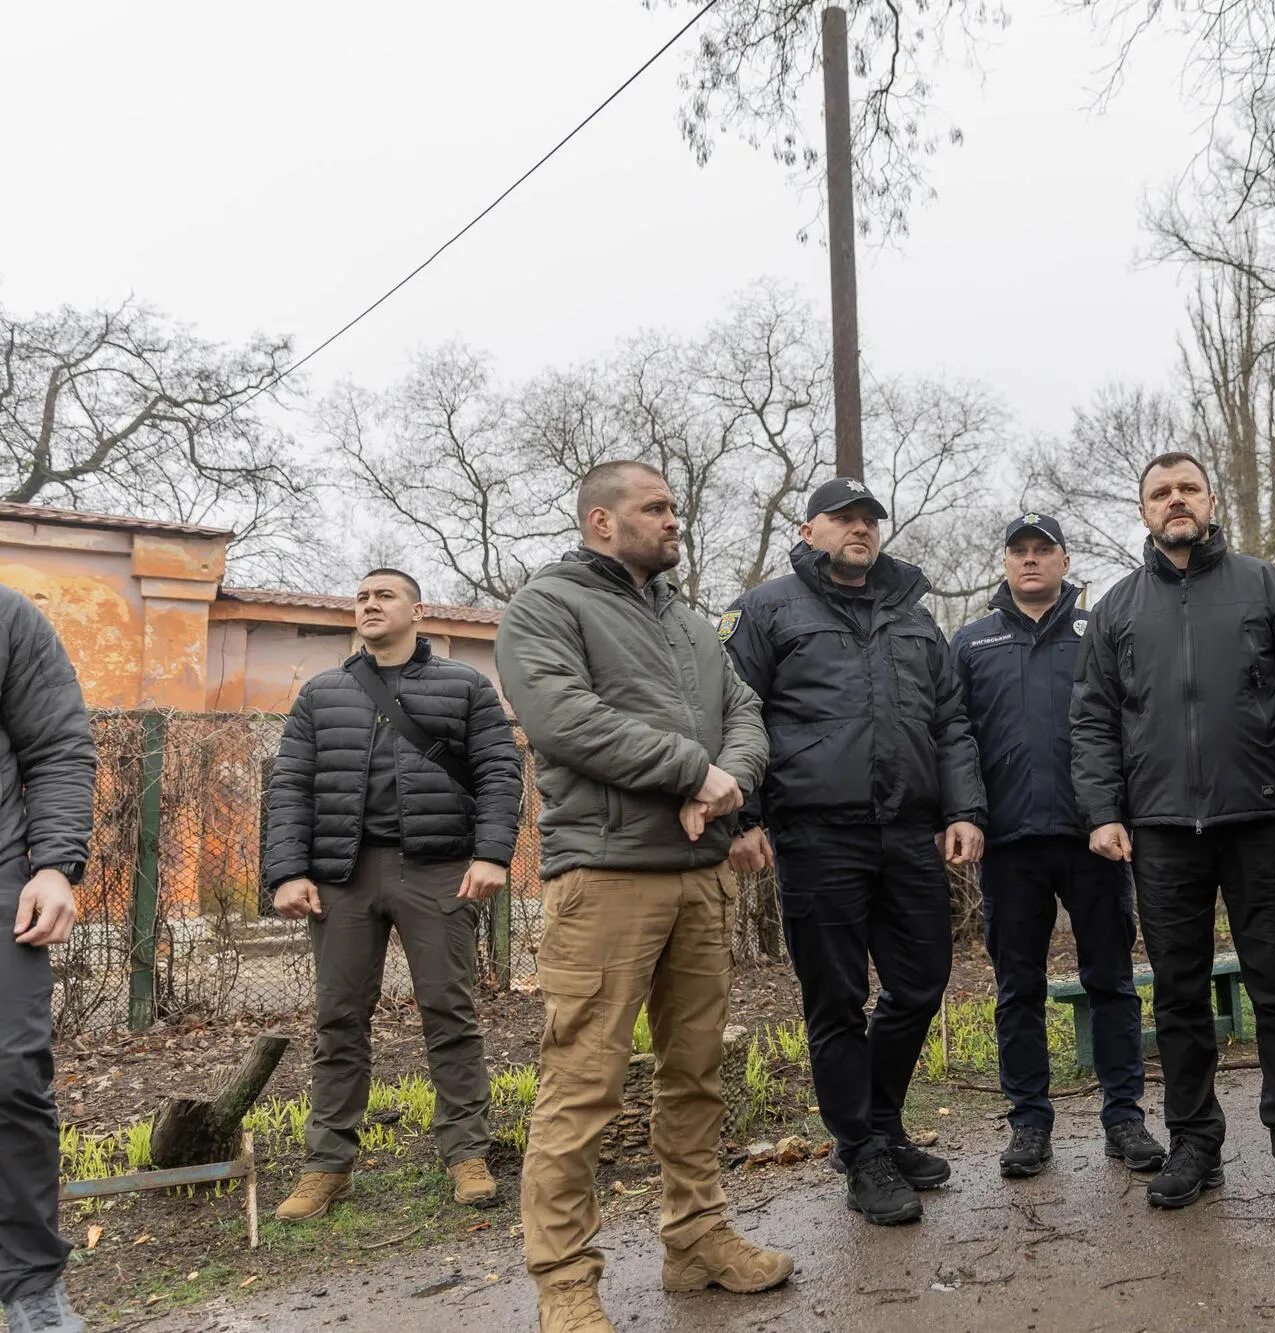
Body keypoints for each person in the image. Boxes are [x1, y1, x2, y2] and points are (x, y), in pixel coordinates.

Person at [497, 461, 790, 1332]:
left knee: (694, 1071)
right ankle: (565, 1283)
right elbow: (562, 718)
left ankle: (695, 1238)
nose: (674, 521)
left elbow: (747, 712)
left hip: (697, 876)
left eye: (675, 506)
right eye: (655, 508)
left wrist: (728, 778)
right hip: (607, 874)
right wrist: (688, 769)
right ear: (600, 522)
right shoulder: (546, 607)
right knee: (583, 1081)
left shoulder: (691, 622)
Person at [1071, 452, 1275, 1220]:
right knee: (1181, 996)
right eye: (1160, 492)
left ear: (1212, 498)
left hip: (1262, 821)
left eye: (1187, 488)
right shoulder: (1119, 609)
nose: (1175, 501)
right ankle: (1195, 1141)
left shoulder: (1270, 587)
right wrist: (1102, 810)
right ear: (1145, 511)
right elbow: (1093, 716)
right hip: (1160, 832)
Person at [722, 476, 985, 1228]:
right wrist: (744, 817)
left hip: (908, 832)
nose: (859, 528)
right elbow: (734, 712)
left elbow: (952, 721)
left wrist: (963, 807)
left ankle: (880, 1123)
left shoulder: (914, 616)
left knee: (923, 980)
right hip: (815, 833)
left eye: (869, 518)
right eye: (842, 518)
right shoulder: (767, 609)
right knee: (834, 999)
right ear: (809, 531)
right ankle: (863, 1151)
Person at [266, 569, 522, 1222]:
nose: (369, 603)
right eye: (360, 596)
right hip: (341, 875)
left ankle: (467, 1152)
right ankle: (327, 1166)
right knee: (338, 1019)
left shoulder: (465, 686)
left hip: (436, 869)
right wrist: (287, 871)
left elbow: (499, 770)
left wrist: (493, 852)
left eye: (384, 594)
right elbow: (290, 784)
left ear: (417, 609)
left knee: (449, 1009)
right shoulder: (321, 693)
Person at [951, 512, 1165, 1179]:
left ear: (1065, 562)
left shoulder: (1098, 630)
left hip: (1093, 836)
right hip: (1009, 843)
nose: (1031, 560)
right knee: (1019, 987)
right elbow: (955, 735)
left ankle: (1124, 1116)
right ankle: (1028, 1122)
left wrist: (1123, 811)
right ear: (1007, 562)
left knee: (1111, 979)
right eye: (1019, 551)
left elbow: (1132, 722)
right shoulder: (971, 642)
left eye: (1044, 550)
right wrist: (965, 811)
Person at [0, 587, 95, 1333]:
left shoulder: (6, 615)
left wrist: (56, 864)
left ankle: (32, 1283)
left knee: (12, 1073)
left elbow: (58, 742)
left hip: (3, 881)